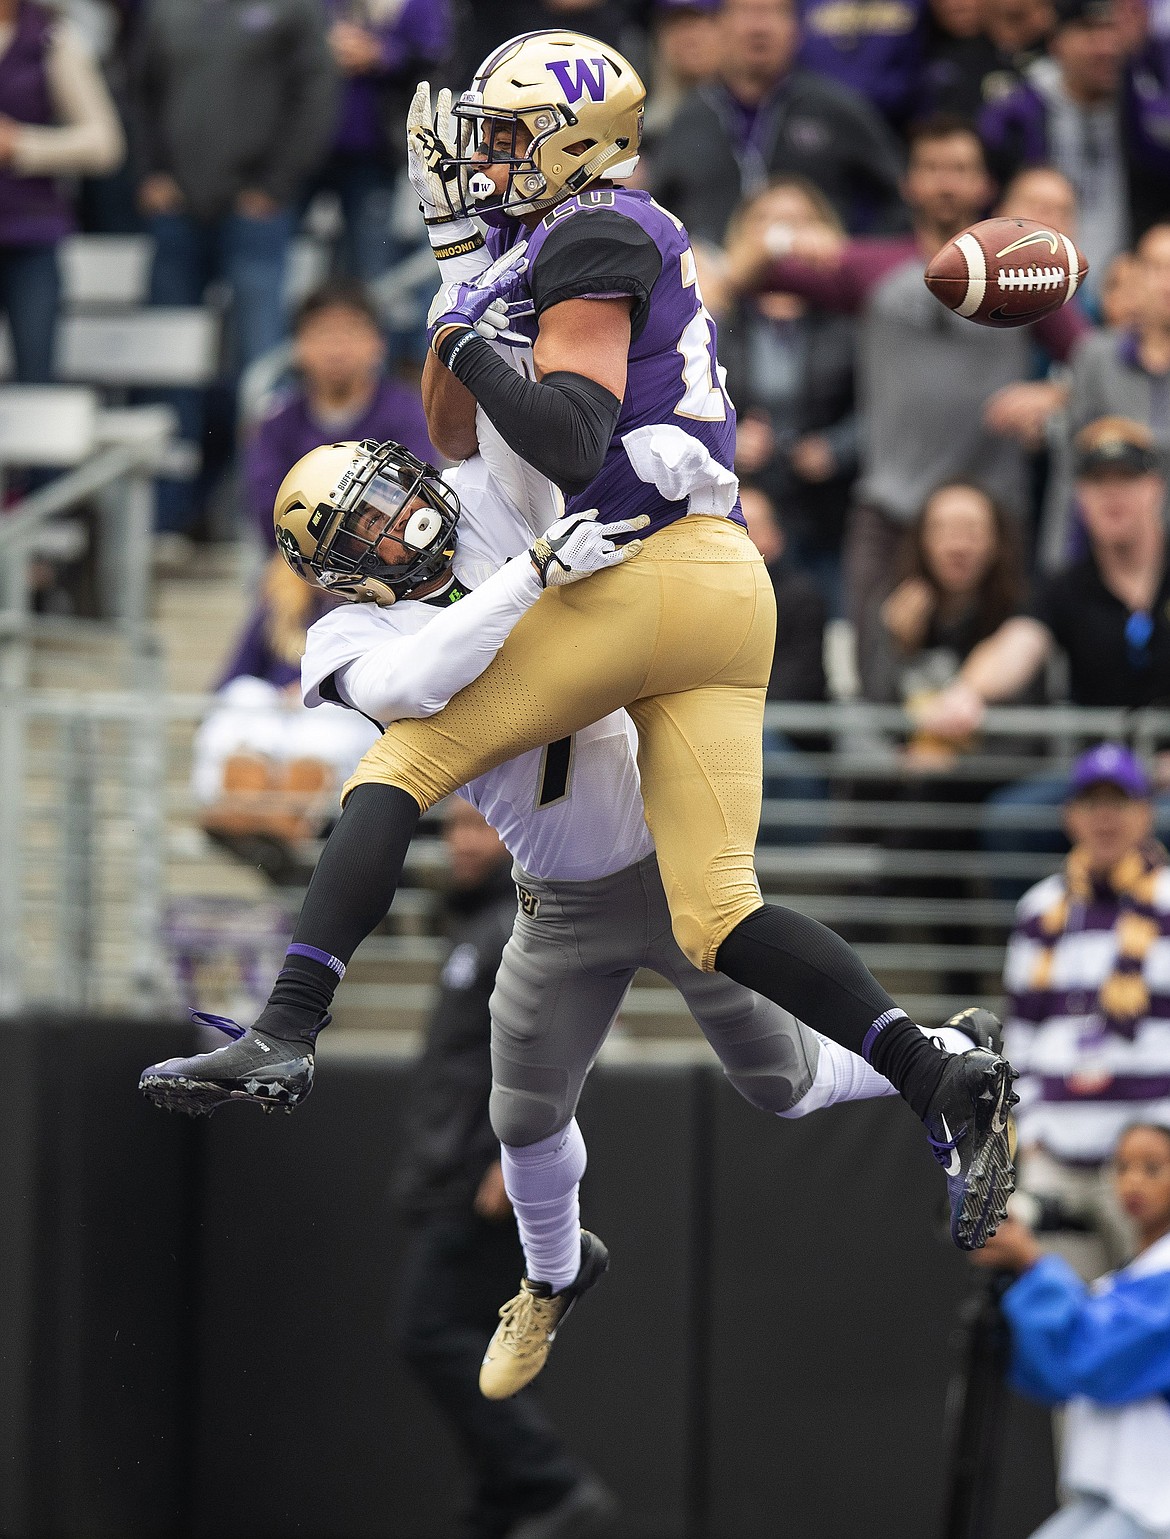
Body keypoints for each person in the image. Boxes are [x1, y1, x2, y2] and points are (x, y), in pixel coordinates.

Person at [140, 30, 1019, 1256]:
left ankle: (288, 1022)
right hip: (718, 594)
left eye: (510, 133)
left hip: (648, 573)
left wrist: (473, 319)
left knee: (399, 770)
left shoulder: (595, 236)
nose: (491, 157)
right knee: (718, 915)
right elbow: (459, 428)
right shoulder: (554, 253)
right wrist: (463, 269)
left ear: (577, 138)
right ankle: (936, 1074)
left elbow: (561, 432)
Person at [722, 112, 1087, 695]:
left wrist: (1053, 392)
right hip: (892, 506)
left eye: (961, 169)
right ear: (908, 184)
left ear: (983, 186)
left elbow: (1095, 360)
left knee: (1008, 682)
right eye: (933, 168)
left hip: (993, 511)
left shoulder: (1018, 271)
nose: (946, 183)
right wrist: (785, 238)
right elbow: (742, 282)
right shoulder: (873, 267)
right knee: (876, 671)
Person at [393, 797, 616, 1539]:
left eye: (475, 824)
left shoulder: (525, 924)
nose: (459, 839)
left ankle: (553, 1488)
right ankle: (501, 1509)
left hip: (482, 1182)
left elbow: (560, 1043)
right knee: (490, 1351)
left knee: (430, 1332)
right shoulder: (476, 926)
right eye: (452, 824)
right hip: (450, 1173)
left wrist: (507, 1156)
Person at [132, 0, 337, 535]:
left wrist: (276, 185)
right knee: (165, 366)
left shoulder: (296, 10)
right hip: (177, 209)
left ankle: (260, 524)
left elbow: (317, 93)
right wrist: (150, 172)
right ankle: (166, 521)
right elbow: (137, 91)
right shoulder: (165, 10)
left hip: (256, 212)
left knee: (260, 369)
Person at [1003, 744, 1170, 1278]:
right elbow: (1021, 1034)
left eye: (1118, 802)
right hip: (1058, 1151)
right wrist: (1029, 1131)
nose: (1105, 817)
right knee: (1060, 1312)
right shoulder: (1039, 910)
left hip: (1146, 1156)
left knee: (1150, 1318)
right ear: (1069, 815)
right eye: (1092, 803)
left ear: (1145, 812)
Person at [970, 1118, 1170, 1539]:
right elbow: (1053, 1378)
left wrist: (1032, 1264)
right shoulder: (1127, 1280)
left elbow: (1092, 1360)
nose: (1134, 1182)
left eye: (1153, 1168)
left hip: (1156, 1509)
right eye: (1122, 1167)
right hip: (1117, 1501)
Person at [920, 418, 1170, 737]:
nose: (1112, 493)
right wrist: (967, 690)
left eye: (1126, 477)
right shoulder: (1066, 587)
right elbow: (1016, 644)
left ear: (1155, 487)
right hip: (1096, 772)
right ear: (1080, 496)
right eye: (1097, 479)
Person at [651, 0, 906, 248]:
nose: (759, 28)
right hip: (713, 282)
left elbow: (900, 199)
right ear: (720, 26)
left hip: (815, 279)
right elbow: (658, 215)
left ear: (797, 30)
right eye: (745, 12)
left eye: (775, 12)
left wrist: (851, 258)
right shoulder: (689, 117)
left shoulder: (838, 109)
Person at [720, 176, 858, 609]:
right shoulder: (717, 315)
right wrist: (728, 439)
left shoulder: (848, 316)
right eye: (768, 222)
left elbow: (884, 404)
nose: (783, 237)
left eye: (798, 222)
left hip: (826, 511)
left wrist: (835, 447)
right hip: (741, 506)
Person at [192, 553, 377, 864]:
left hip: (335, 713)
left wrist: (313, 689)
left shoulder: (378, 609)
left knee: (323, 718)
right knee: (246, 695)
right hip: (277, 719)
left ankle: (286, 819)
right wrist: (281, 696)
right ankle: (241, 806)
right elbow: (233, 677)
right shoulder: (280, 604)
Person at [244, 279, 435, 552]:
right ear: (298, 346)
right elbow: (268, 512)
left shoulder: (407, 412)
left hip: (392, 556)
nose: (336, 348)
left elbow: (418, 500)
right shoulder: (277, 422)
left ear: (378, 344)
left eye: (350, 332)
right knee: (282, 587)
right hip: (301, 561)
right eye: (322, 333)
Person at [0, 0, 123, 382]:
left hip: (29, 234)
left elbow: (105, 144)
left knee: (36, 376)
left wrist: (21, 145)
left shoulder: (53, 38)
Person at [978, 0, 1132, 291]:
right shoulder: (1015, 112)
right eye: (1088, 32)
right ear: (1055, 41)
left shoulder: (1142, 107)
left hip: (1125, 286)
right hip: (1033, 280)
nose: (1106, 47)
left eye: (1111, 31)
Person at [307, 0, 452, 283]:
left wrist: (383, 54)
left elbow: (438, 62)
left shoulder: (421, 6)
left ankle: (369, 326)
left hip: (375, 152)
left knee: (370, 263)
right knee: (271, 254)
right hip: (304, 152)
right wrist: (322, 46)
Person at [868, 481, 1025, 716]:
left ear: (997, 542)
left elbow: (1026, 718)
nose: (957, 546)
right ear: (921, 541)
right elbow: (873, 709)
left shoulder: (1020, 612)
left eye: (972, 531)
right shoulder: (891, 605)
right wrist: (898, 647)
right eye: (943, 530)